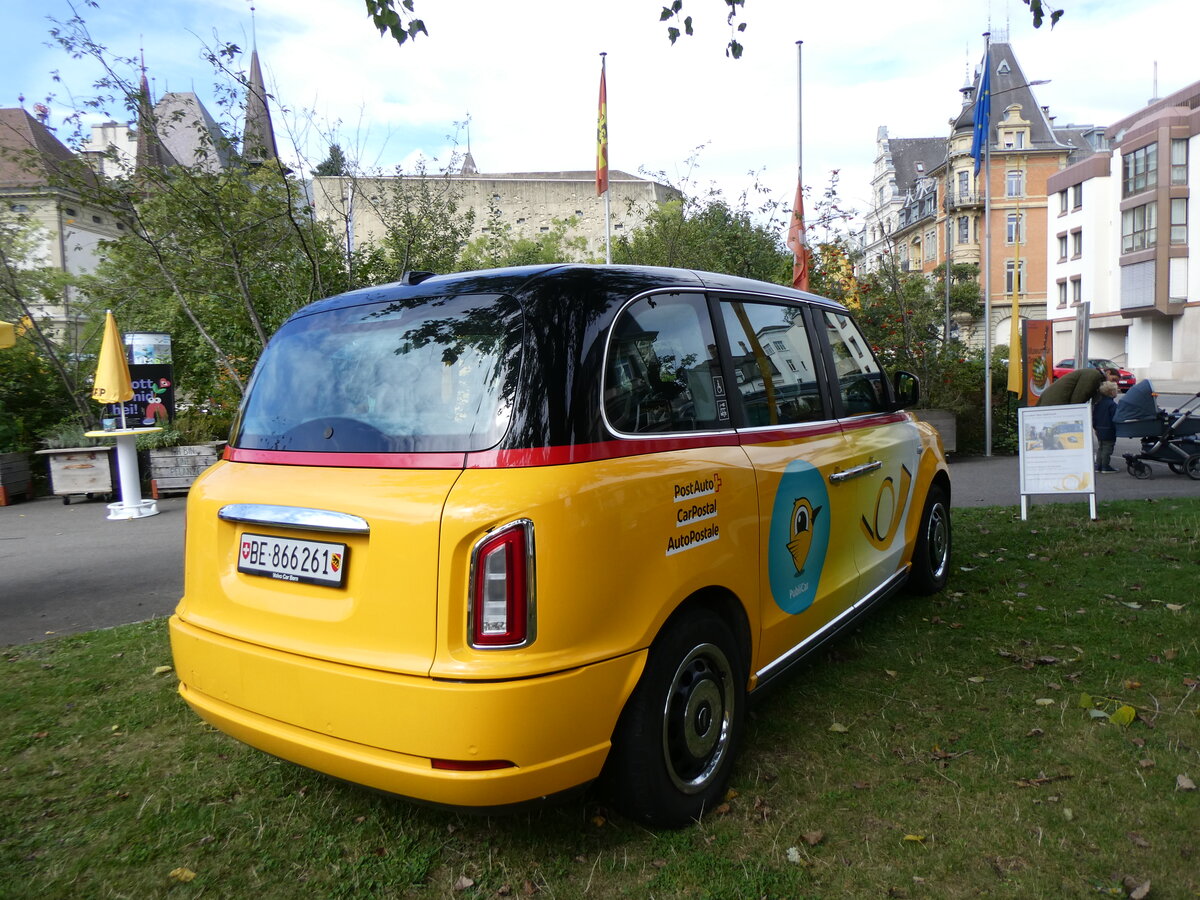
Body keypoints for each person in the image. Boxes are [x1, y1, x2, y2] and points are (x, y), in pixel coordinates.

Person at [1093, 380, 1120, 472]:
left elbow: (1094, 416)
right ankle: (1105, 466)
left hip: (1099, 429)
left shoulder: (1099, 403)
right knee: (1108, 448)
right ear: (1111, 392)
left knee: (1101, 447)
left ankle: (1098, 465)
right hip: (1109, 429)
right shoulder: (1112, 405)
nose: (1117, 391)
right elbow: (1115, 418)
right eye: (1116, 390)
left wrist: (1095, 427)